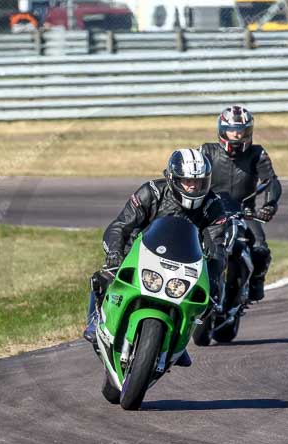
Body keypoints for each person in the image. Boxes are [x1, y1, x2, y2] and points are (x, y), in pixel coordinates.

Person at [83, 149, 228, 367]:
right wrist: (115, 253)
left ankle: (177, 341)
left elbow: (217, 247)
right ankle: (95, 321)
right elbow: (120, 226)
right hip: (139, 253)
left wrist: (214, 280)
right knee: (103, 276)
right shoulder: (151, 192)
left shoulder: (213, 205)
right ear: (173, 178)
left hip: (184, 264)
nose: (193, 187)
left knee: (206, 300)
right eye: (187, 181)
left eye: (198, 182)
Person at [200, 106, 282, 301]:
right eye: (231, 130)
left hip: (245, 212)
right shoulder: (207, 151)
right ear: (222, 131)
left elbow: (271, 181)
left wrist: (269, 205)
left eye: (241, 131)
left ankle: (256, 280)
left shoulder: (257, 153)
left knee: (260, 248)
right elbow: (191, 174)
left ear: (249, 131)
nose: (236, 135)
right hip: (209, 211)